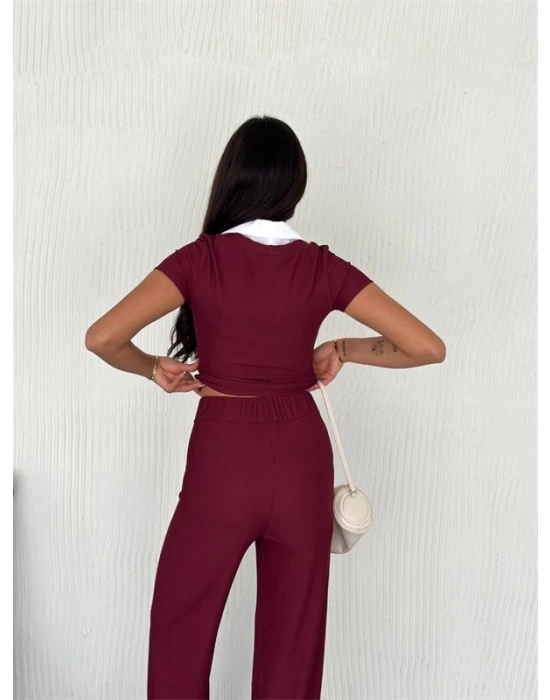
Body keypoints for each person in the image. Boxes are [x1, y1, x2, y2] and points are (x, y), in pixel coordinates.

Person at [85, 115, 446, 700]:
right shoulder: (322, 266)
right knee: (292, 646)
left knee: (181, 631)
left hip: (224, 457)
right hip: (302, 456)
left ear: (231, 179)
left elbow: (103, 338)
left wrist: (152, 367)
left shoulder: (201, 260)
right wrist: (342, 349)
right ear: (294, 187)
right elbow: (428, 347)